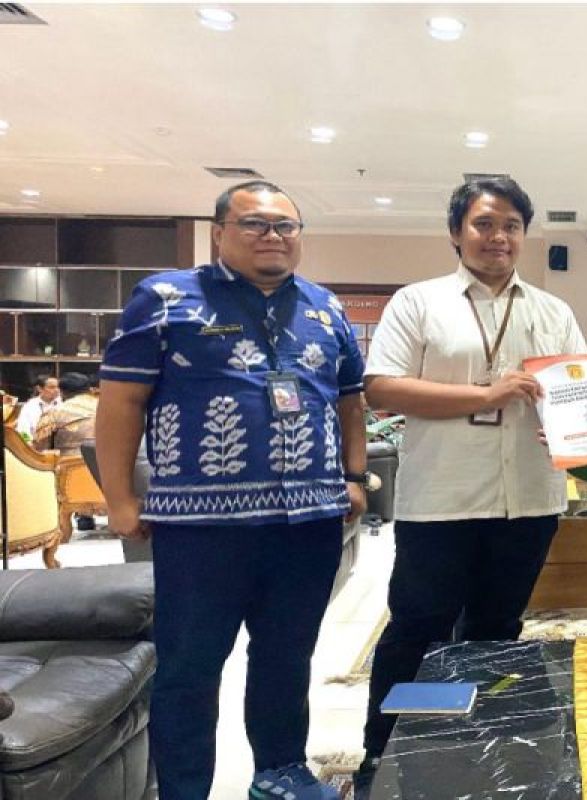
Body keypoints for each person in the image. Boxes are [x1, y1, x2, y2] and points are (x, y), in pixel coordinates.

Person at [95, 180, 367, 800]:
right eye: (255, 224)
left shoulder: (325, 307)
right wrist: (118, 498)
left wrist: (354, 478)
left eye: (285, 226)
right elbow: (121, 402)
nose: (272, 236)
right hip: (202, 530)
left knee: (286, 658)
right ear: (219, 232)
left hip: (307, 523)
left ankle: (280, 773)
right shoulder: (165, 298)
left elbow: (350, 401)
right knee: (191, 668)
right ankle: (184, 790)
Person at [355, 176, 587, 797]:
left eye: (511, 225)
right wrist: (485, 395)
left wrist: (579, 426)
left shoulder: (553, 311)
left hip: (529, 500)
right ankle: (388, 751)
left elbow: (578, 387)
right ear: (456, 233)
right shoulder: (418, 302)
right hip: (441, 500)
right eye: (484, 224)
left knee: (498, 627)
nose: (498, 236)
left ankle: (480, 747)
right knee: (418, 627)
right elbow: (382, 387)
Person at [32, 371, 96, 456]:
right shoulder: (104, 407)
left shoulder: (54, 413)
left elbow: (39, 447)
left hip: (68, 461)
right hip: (106, 459)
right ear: (89, 389)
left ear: (62, 392)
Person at [14, 373, 59, 438]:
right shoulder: (30, 406)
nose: (56, 390)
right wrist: (29, 442)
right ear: (39, 389)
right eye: (51, 387)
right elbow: (22, 431)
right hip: (35, 442)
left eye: (58, 387)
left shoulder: (63, 404)